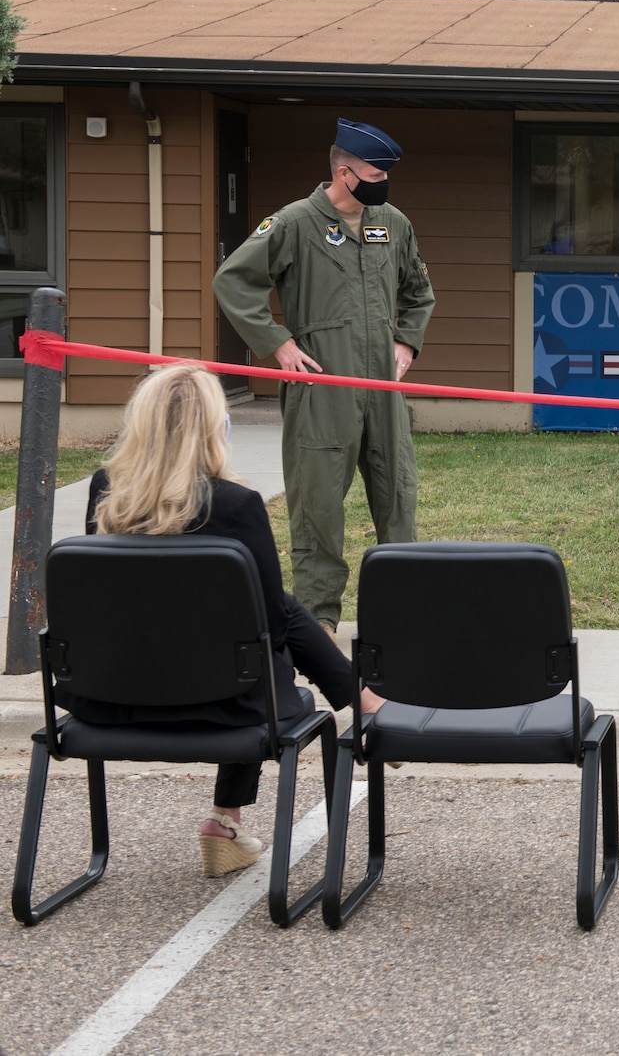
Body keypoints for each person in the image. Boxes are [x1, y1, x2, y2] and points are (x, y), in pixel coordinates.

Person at [68, 365, 382, 876]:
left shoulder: (107, 492)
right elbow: (273, 627)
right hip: (226, 707)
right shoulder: (236, 505)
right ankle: (359, 702)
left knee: (252, 629)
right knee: (262, 633)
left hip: (110, 699)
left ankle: (232, 819)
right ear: (216, 427)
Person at [214, 118, 436, 634]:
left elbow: (418, 291)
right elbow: (234, 281)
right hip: (321, 385)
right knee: (317, 506)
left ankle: (402, 617)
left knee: (397, 495)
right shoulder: (294, 223)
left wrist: (406, 341)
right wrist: (278, 343)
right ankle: (318, 622)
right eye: (376, 173)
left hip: (382, 385)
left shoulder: (392, 223)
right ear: (344, 171)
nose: (383, 182)